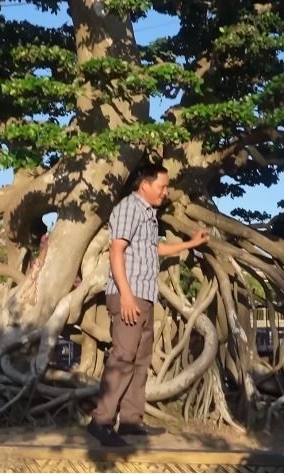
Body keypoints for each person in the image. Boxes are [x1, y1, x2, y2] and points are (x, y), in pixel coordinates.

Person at [87, 163, 209, 447]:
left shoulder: (148, 215)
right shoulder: (130, 208)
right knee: (123, 357)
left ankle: (130, 420)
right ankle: (100, 422)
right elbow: (116, 250)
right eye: (161, 187)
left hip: (144, 295)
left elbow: (154, 250)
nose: (165, 192)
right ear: (144, 185)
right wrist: (126, 295)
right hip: (129, 295)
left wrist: (190, 244)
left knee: (140, 360)